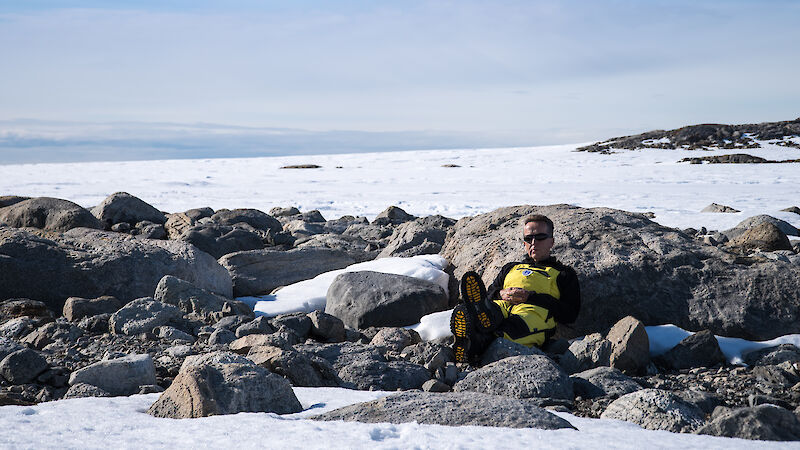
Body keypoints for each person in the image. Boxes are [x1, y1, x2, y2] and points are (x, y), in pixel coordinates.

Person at [450, 214, 581, 363]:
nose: (533, 243)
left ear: (551, 241)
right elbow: (490, 293)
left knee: (511, 329)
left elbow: (570, 314)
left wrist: (530, 297)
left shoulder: (564, 274)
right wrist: (500, 293)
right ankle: (476, 326)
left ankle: (474, 341)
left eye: (540, 238)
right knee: (489, 309)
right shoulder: (511, 267)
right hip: (502, 305)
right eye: (528, 239)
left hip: (534, 314)